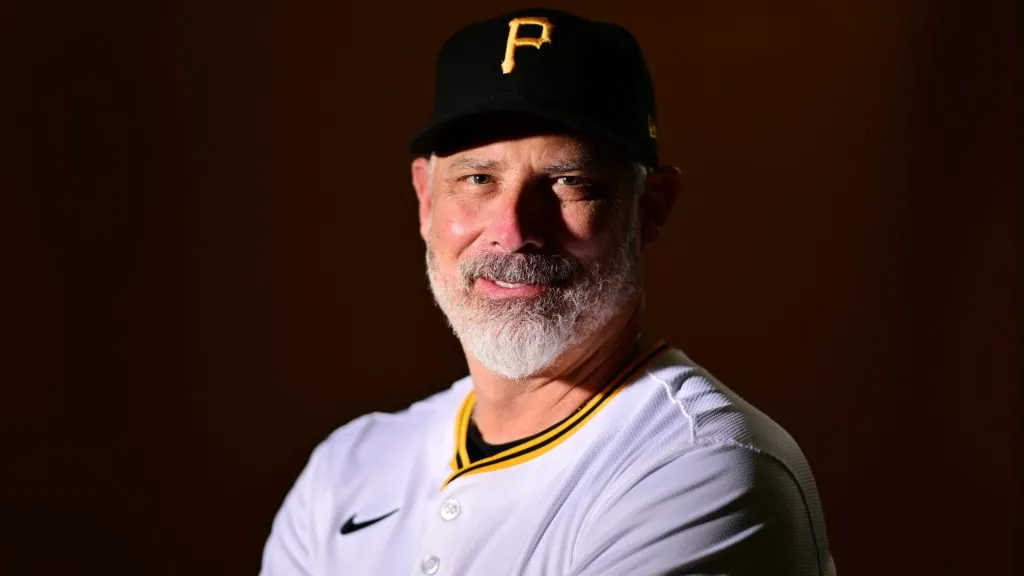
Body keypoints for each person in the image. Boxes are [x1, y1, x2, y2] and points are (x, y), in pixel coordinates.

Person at [260, 7, 836, 575]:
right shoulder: (344, 471)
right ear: (426, 200)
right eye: (478, 179)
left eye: (568, 181)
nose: (515, 231)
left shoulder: (703, 468)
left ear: (651, 208)